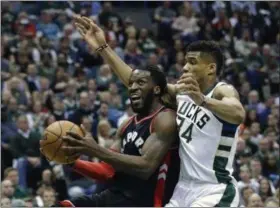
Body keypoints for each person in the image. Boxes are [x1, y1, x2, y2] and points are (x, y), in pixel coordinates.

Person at [73, 15, 245, 207]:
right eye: (186, 61)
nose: (185, 66)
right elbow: (138, 82)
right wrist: (103, 48)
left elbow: (238, 113)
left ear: (210, 69)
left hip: (214, 188)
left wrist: (203, 100)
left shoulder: (221, 90)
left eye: (193, 62)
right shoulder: (182, 94)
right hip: (182, 190)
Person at [46, 65, 180, 207]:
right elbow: (107, 171)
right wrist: (70, 161)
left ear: (157, 89)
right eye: (131, 83)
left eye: (140, 83)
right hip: (115, 196)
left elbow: (146, 167)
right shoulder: (126, 126)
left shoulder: (165, 119)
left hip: (144, 202)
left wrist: (95, 149)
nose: (133, 87)